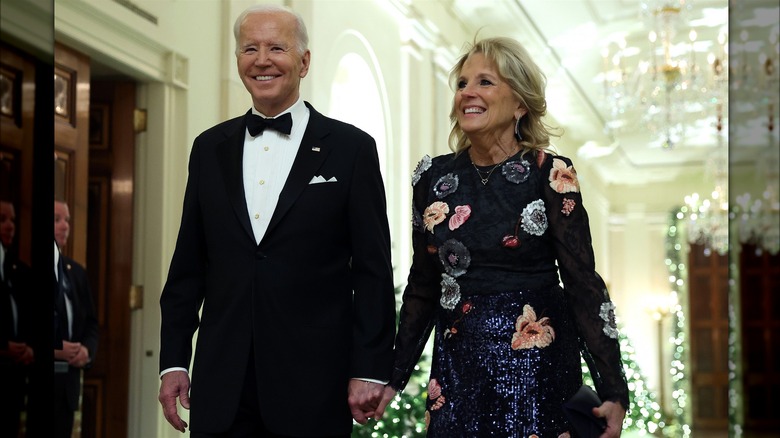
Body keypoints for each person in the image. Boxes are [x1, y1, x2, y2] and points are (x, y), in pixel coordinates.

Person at [157, 4, 396, 437]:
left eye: (276, 47)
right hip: (221, 388)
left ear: (304, 62)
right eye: (250, 48)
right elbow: (188, 267)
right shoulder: (208, 149)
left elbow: (373, 270)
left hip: (313, 387)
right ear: (238, 61)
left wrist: (371, 368)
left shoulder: (352, 148)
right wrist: (174, 360)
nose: (262, 59)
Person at [377, 37, 629, 437]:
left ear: (520, 103)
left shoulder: (551, 174)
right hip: (458, 374)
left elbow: (583, 284)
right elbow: (423, 286)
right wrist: (391, 377)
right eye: (462, 84)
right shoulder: (432, 179)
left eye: (485, 82)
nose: (468, 93)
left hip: (538, 375)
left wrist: (614, 390)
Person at [53, 199, 99, 438]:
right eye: (57, 219)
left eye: (67, 220)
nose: (65, 226)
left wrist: (86, 351)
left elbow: (91, 323)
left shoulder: (75, 272)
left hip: (68, 388)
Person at [0, 200, 33, 438]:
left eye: (12, 220)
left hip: (15, 378)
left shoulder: (18, 270)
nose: (10, 226)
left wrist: (31, 347)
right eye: (2, 220)